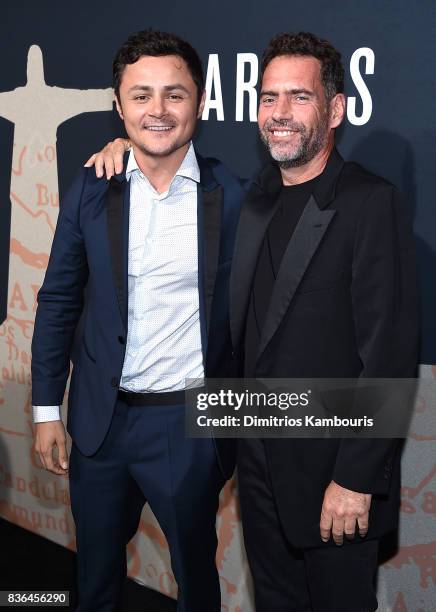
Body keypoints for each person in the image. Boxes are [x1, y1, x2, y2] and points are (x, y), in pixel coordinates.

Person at [88, 32, 419, 612]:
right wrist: (126, 146)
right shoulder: (253, 198)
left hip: (333, 475)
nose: (280, 114)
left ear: (335, 109)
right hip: (257, 468)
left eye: (299, 97)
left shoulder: (370, 203)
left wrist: (356, 479)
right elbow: (168, 165)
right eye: (268, 99)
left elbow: (388, 354)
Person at [31, 29, 244, 612]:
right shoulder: (91, 190)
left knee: (195, 581)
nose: (158, 110)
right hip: (101, 425)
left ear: (198, 102)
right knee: (94, 580)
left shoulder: (237, 196)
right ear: (119, 104)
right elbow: (58, 300)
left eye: (174, 94)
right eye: (141, 95)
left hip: (187, 425)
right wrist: (47, 408)